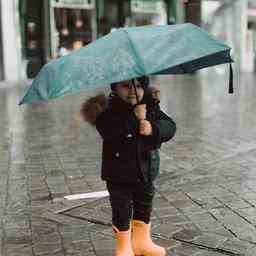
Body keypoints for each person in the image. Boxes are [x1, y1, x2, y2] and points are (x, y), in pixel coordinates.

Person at [80, 76, 176, 256]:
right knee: (122, 209)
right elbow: (110, 132)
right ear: (115, 88)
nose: (133, 90)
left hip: (146, 170)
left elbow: (170, 126)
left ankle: (142, 242)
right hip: (118, 174)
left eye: (139, 86)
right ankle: (124, 247)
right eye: (126, 86)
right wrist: (134, 117)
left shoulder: (150, 105)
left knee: (144, 205)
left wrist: (153, 128)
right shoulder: (107, 111)